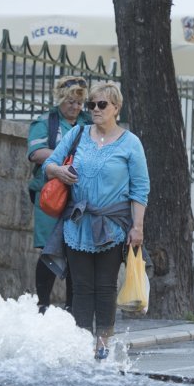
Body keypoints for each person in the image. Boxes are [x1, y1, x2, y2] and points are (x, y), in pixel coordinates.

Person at [41, 82, 149, 360]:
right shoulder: (78, 133)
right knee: (80, 286)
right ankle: (81, 341)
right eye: (92, 105)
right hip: (77, 223)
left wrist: (137, 227)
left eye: (102, 105)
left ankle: (102, 342)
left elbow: (140, 188)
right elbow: (48, 165)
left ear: (117, 108)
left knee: (105, 285)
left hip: (112, 225)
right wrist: (60, 171)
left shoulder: (130, 143)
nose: (95, 110)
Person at [27, 76, 91, 314]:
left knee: (76, 251)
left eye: (79, 102)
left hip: (80, 196)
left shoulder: (88, 122)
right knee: (48, 251)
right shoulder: (46, 121)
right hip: (52, 197)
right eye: (70, 102)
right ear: (60, 100)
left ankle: (72, 307)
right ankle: (43, 304)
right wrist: (65, 159)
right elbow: (35, 153)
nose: (75, 107)